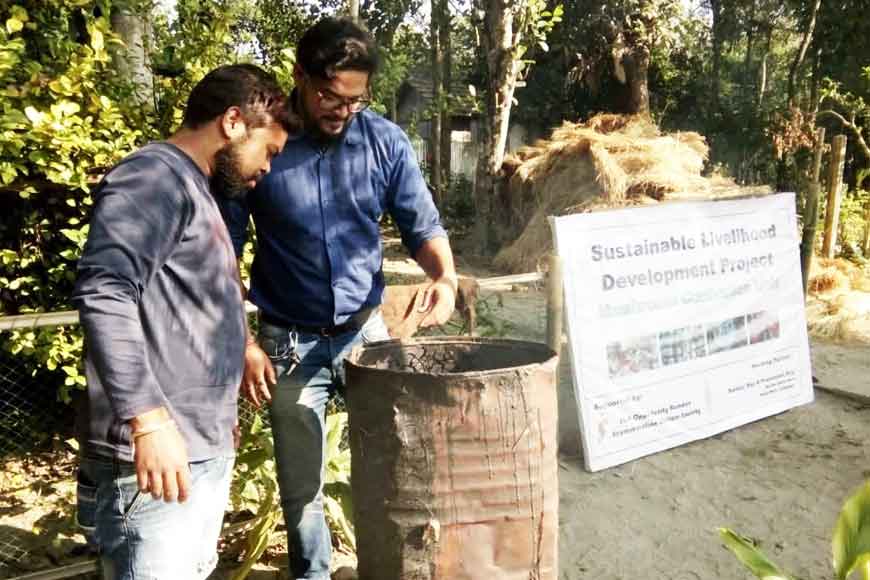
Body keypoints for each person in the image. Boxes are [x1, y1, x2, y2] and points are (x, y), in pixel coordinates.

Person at [218, 17, 458, 580]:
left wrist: (444, 277)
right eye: (330, 95)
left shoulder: (385, 143)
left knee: (399, 461)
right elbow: (222, 250)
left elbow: (422, 226)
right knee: (301, 484)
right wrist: (244, 340)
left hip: (364, 336)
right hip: (288, 344)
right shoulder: (264, 143)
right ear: (300, 77)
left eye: (355, 99)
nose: (341, 109)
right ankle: (313, 574)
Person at [71, 64, 295, 579]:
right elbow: (107, 292)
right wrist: (148, 421)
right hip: (153, 464)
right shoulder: (152, 177)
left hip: (194, 449)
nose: (267, 169)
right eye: (270, 151)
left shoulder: (196, 189)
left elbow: (191, 306)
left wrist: (217, 407)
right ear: (234, 121)